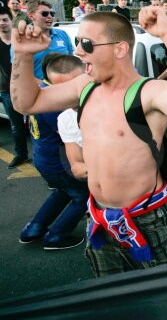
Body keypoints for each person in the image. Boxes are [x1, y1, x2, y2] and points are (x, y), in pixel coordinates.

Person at [11, 7, 167, 276]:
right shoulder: (85, 86)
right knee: (113, 300)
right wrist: (23, 55)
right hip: (100, 219)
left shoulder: (148, 91)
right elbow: (26, 102)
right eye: (76, 42)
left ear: (119, 49)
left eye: (86, 43)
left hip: (149, 219)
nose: (78, 52)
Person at [19, 53, 89, 250]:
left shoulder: (42, 92)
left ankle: (33, 229)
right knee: (82, 195)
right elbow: (73, 137)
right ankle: (56, 236)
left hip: (44, 158)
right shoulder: (56, 104)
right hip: (59, 162)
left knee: (63, 192)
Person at [0, 6, 30, 169]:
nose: (1, 23)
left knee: (35, 124)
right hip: (5, 91)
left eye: (5, 20)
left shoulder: (20, 40)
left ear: (11, 22)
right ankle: (21, 155)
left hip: (25, 87)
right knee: (15, 125)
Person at [16, 0, 74, 80]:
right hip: (39, 90)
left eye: (52, 13)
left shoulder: (62, 34)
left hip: (66, 87)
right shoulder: (23, 39)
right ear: (31, 16)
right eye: (45, 14)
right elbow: (19, 74)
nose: (50, 16)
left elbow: (72, 61)